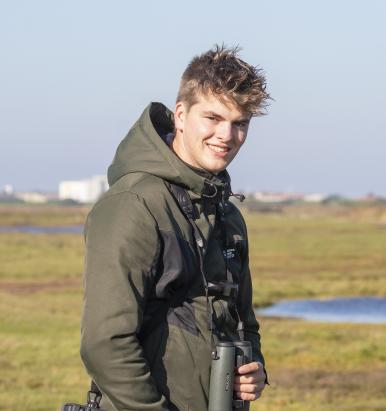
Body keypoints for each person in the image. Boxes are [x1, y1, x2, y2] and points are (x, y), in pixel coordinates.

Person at [80, 45, 270, 411]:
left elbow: (244, 322)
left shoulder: (227, 214)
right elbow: (105, 344)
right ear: (181, 115)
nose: (226, 136)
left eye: (240, 123)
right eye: (213, 118)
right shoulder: (134, 205)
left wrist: (255, 369)